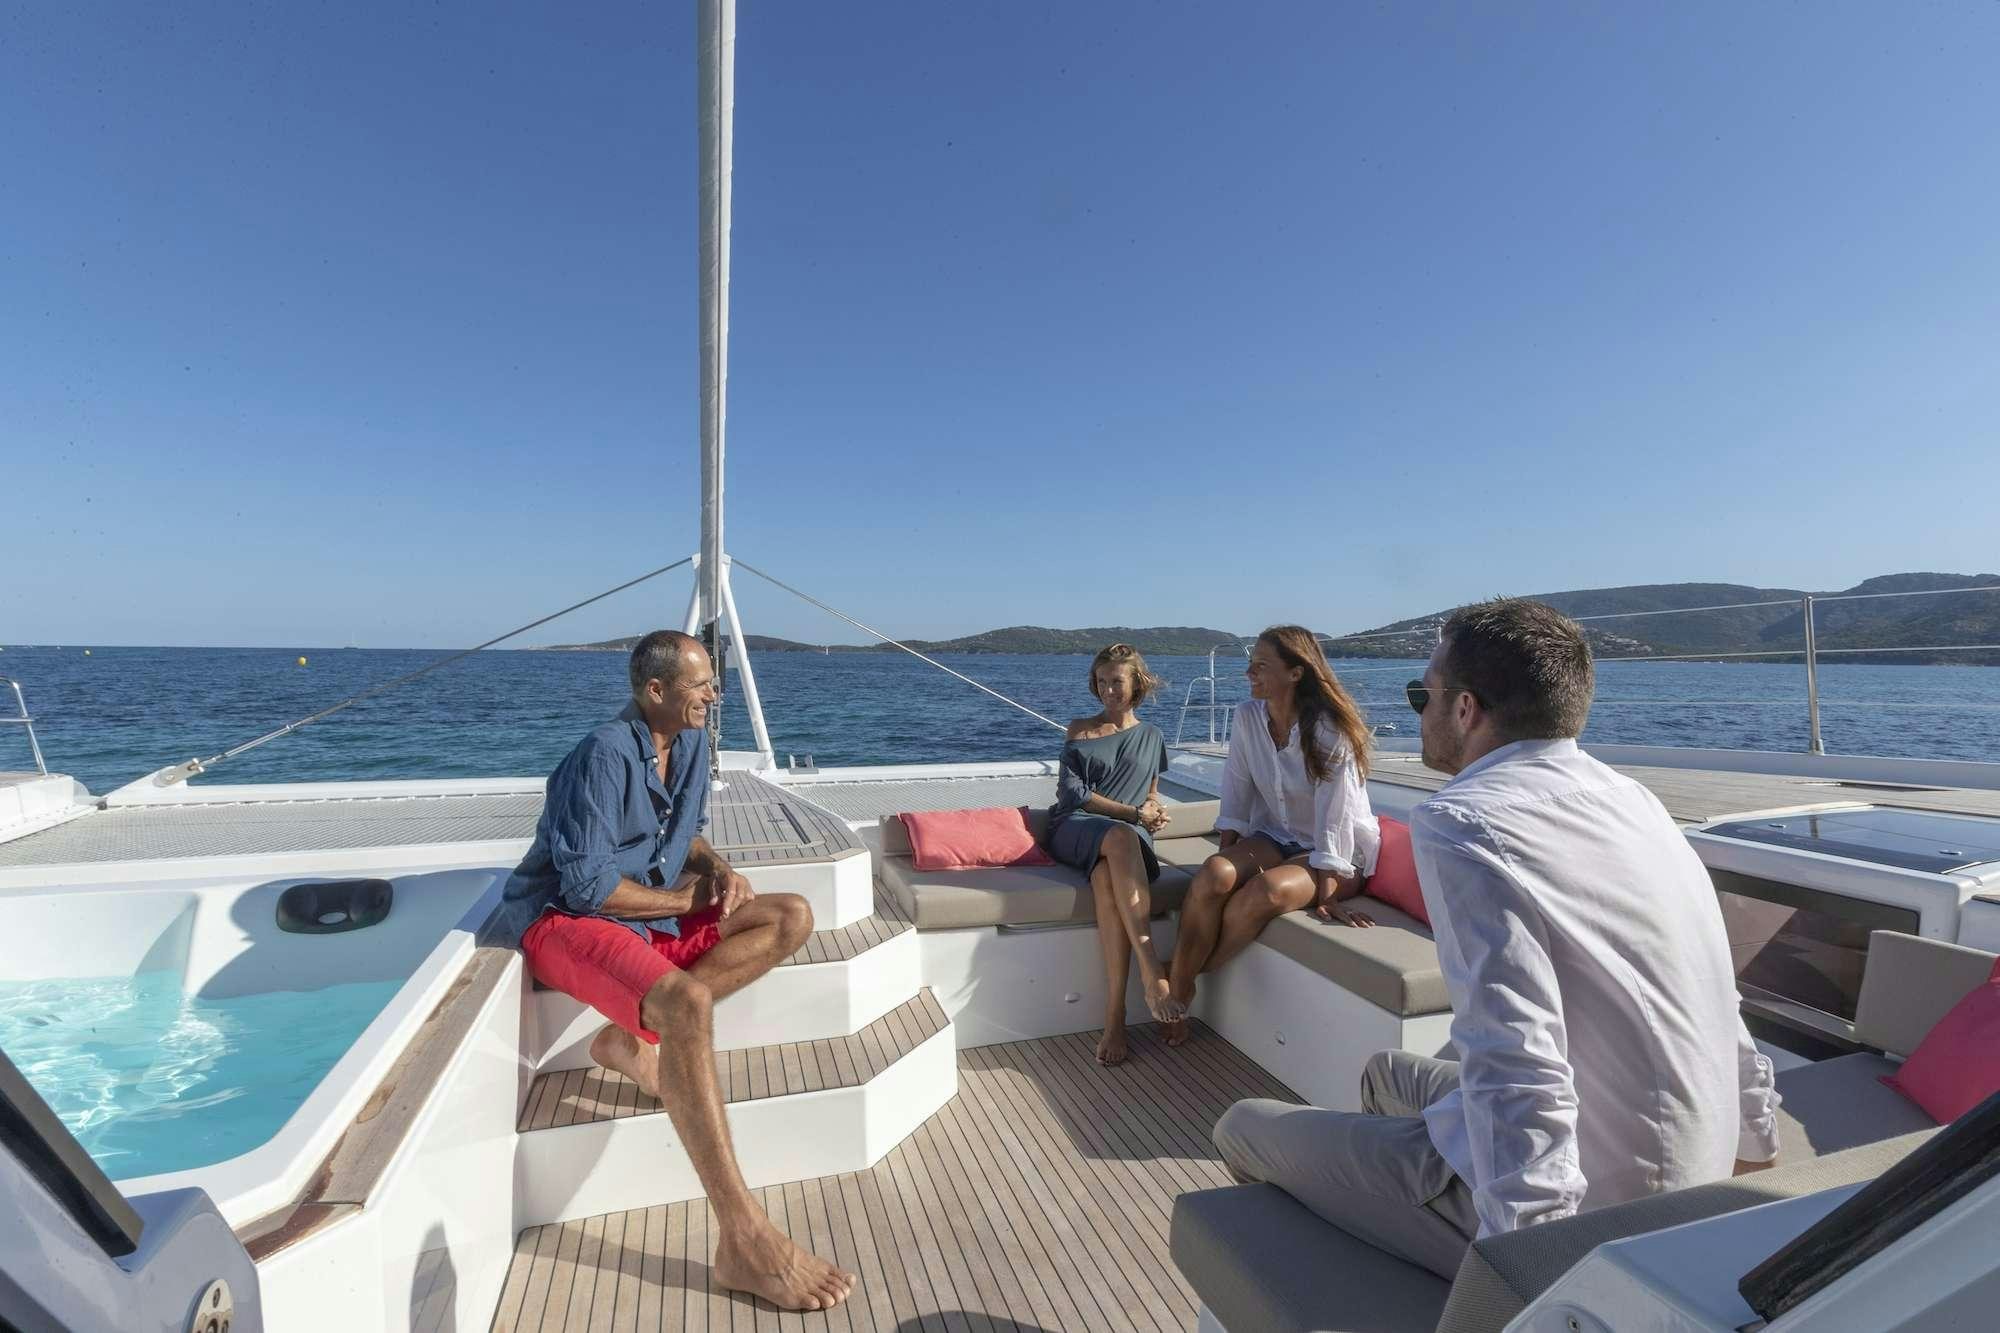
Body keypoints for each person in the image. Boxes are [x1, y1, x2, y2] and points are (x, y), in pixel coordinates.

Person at [1211, 599, 1782, 1280]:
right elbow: (1724, 999)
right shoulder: (1636, 800)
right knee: (1384, 1074)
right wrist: (1753, 1151)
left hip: (1584, 1217)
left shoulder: (1463, 822)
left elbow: (1520, 1069)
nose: (1417, 707)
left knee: (1240, 1125)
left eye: (1422, 692)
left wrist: (1521, 1274)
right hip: (1693, 1162)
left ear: (1465, 709)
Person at [482, 630, 854, 1312]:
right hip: (563, 920)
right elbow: (589, 888)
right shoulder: (600, 755)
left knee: (790, 914)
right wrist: (687, 899)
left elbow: (682, 837)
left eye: (714, 682)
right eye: (703, 684)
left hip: (641, 913)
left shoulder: (686, 745)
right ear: (656, 691)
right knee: (686, 1004)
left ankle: (629, 1040)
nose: (715, 694)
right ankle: (742, 1234)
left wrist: (716, 868)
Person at [1165, 625, 1379, 1045]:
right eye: (1250, 664)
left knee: (1266, 892)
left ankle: (1181, 981)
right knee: (1213, 874)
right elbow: (1237, 789)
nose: (1249, 672)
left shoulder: (1331, 730)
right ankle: (1181, 979)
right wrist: (1225, 864)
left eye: (1261, 665)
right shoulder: (1248, 717)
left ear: (1296, 673)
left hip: (1337, 852)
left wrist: (1328, 894)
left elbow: (1336, 820)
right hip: (1275, 836)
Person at [1043, 643, 1187, 1065]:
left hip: (1126, 839)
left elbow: (1152, 794)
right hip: (1075, 828)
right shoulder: (1081, 729)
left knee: (1108, 879)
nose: (1108, 690)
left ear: (1136, 684)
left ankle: (1115, 1016)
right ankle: (1151, 970)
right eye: (1101, 681)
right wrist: (1134, 815)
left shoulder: (1152, 736)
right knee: (1122, 839)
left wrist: (1155, 813)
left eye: (1116, 682)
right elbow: (1073, 795)